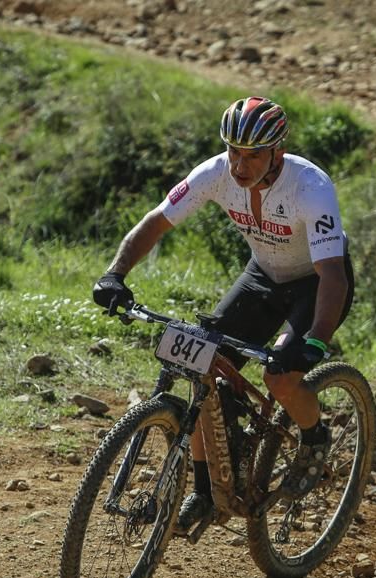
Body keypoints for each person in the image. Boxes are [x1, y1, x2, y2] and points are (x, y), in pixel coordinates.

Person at [91, 96, 354, 530]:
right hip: (263, 276)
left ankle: (314, 438)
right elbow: (156, 221)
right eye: (233, 151)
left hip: (316, 284)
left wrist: (315, 342)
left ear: (278, 153)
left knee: (280, 377)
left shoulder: (311, 187)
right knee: (202, 366)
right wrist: (114, 274)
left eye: (252, 155)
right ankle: (204, 491)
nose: (239, 165)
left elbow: (334, 276)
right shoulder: (214, 173)